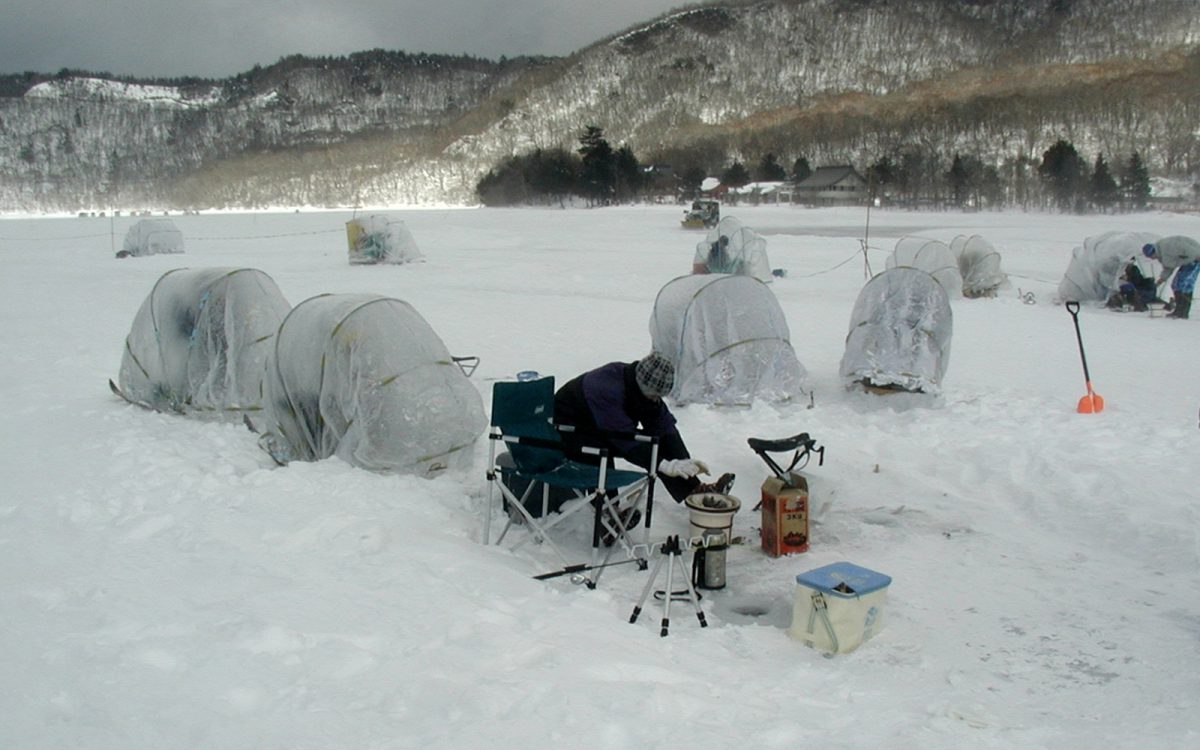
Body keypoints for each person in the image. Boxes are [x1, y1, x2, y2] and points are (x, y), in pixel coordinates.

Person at [554, 352, 734, 533]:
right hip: (567, 428)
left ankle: (695, 491)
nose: (656, 399)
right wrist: (663, 465)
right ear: (643, 387)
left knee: (656, 443)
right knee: (601, 452)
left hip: (604, 425)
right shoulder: (605, 388)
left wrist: (683, 461)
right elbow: (623, 440)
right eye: (654, 395)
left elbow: (664, 426)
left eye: (660, 396)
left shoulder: (640, 386)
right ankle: (609, 518)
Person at [1143, 236, 1200, 318]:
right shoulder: (1162, 255)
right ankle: (1178, 310)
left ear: (1153, 252)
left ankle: (1183, 312)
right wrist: (1162, 279)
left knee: (1184, 285)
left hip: (1196, 259)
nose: (1152, 259)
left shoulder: (1168, 246)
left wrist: (1195, 256)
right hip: (1188, 261)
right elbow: (1169, 267)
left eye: (1151, 256)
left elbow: (1188, 249)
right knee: (1175, 285)